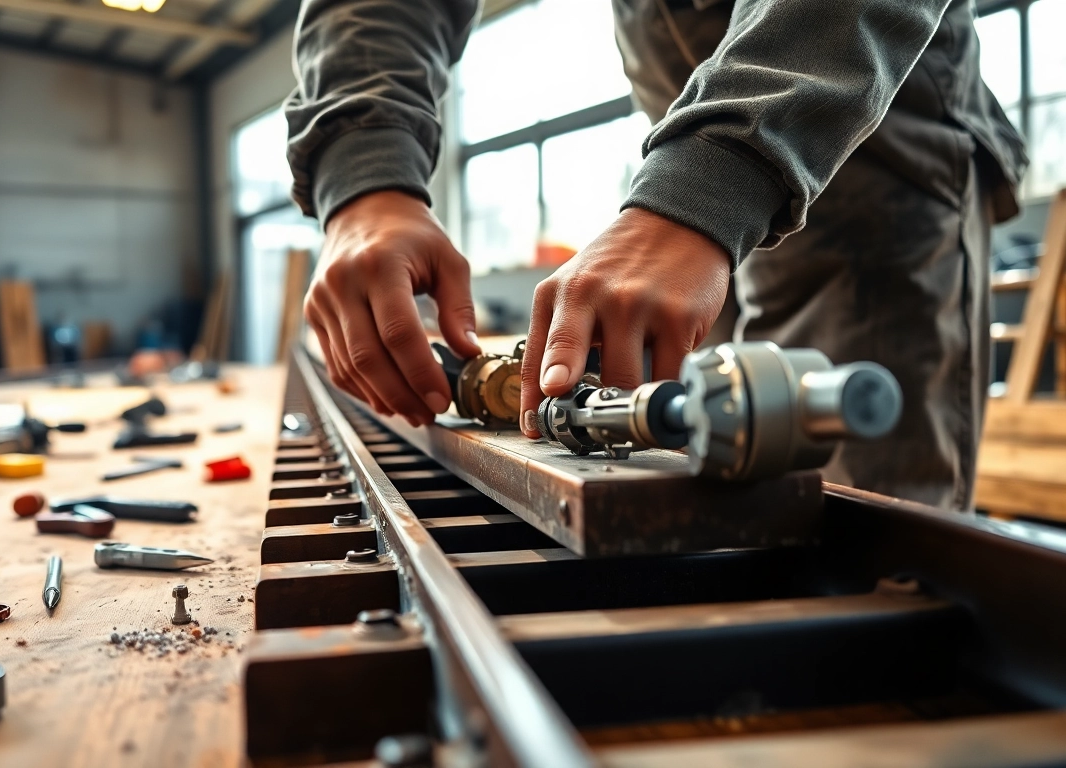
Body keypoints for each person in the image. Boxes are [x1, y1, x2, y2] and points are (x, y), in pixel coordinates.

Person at [285, 0, 1027, 509]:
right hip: (682, 162)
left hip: (872, 148)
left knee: (856, 545)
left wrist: (712, 179)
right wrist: (365, 175)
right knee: (697, 501)